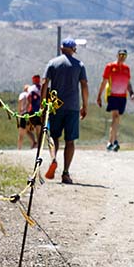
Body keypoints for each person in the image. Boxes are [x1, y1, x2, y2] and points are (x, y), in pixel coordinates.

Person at [42, 38, 89, 185]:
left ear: (61, 48)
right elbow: (84, 86)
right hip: (73, 107)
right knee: (70, 141)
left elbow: (44, 84)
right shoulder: (79, 65)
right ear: (74, 50)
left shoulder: (52, 63)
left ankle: (53, 159)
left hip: (55, 106)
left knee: (53, 137)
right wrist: (85, 105)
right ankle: (66, 173)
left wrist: (43, 105)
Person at [97, 49, 134, 152]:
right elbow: (104, 81)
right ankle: (113, 141)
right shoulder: (110, 67)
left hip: (122, 95)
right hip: (112, 94)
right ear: (117, 55)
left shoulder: (127, 69)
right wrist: (99, 95)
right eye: (120, 55)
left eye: (124, 55)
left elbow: (128, 82)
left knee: (117, 119)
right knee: (115, 116)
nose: (122, 57)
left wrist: (131, 92)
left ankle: (113, 141)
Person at [17, 84, 37, 149]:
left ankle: (19, 147)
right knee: (28, 130)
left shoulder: (22, 95)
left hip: (24, 113)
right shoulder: (30, 95)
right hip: (30, 113)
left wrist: (20, 110)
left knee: (21, 131)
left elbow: (20, 102)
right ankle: (34, 142)